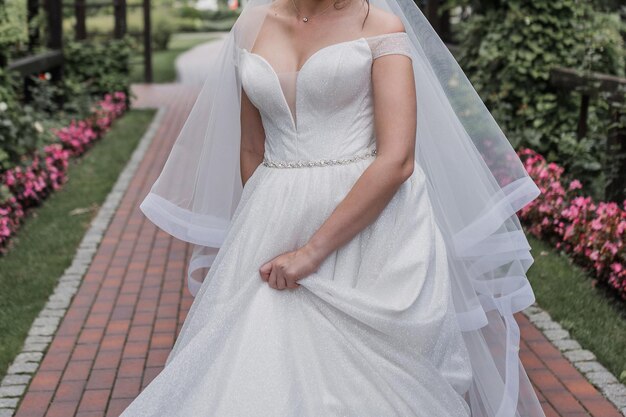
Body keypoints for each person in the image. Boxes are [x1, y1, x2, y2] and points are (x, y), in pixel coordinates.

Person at [121, 0, 547, 415]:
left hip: (369, 226)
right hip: (271, 215)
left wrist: (311, 251)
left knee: (366, 384)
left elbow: (397, 159)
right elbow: (252, 147)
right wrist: (266, 223)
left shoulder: (381, 27)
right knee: (251, 365)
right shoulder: (249, 27)